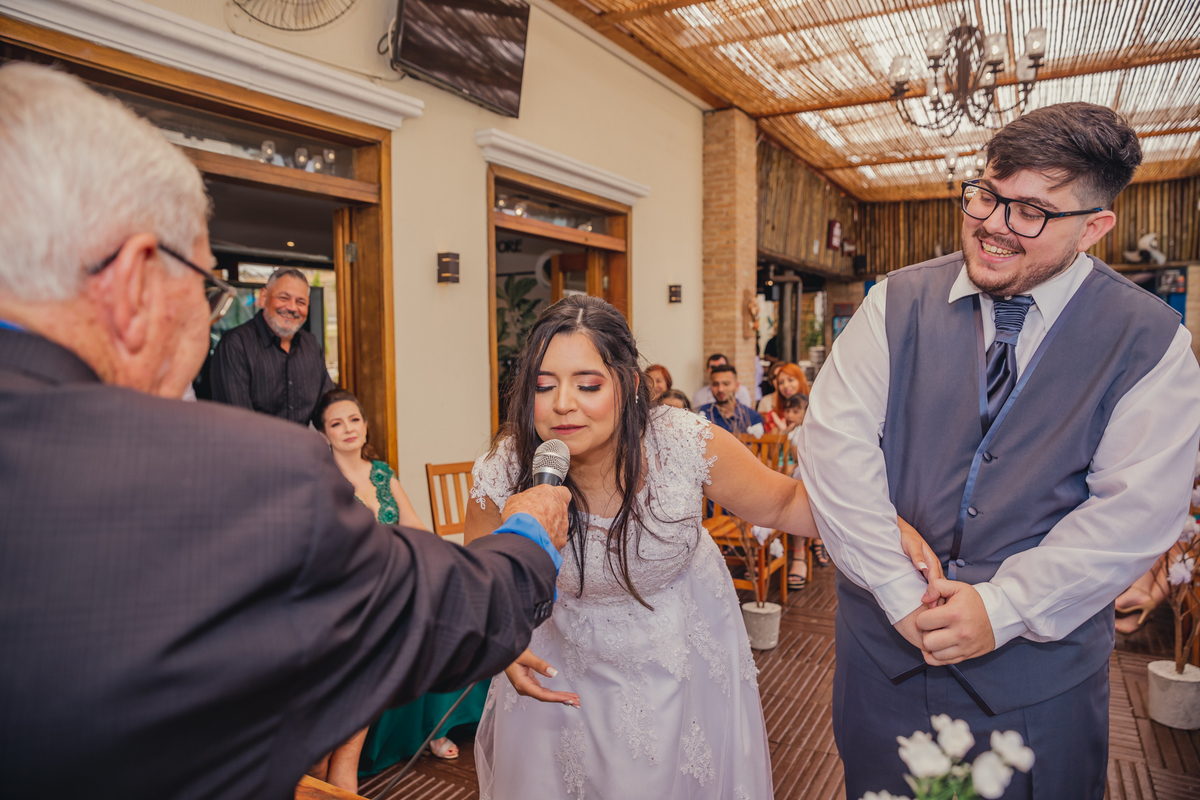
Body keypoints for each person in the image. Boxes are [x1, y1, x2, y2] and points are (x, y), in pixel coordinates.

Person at [0, 62, 568, 800]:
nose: (208, 319)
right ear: (136, 283)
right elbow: (447, 615)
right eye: (205, 286)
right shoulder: (238, 479)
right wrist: (528, 533)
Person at [797, 102, 1200, 800]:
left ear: (1095, 227)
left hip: (1040, 692)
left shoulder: (1152, 343)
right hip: (882, 668)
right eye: (987, 193)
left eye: (1032, 211)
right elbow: (835, 454)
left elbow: (1136, 511)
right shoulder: (893, 302)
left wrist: (1004, 607)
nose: (993, 225)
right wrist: (898, 593)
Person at [465, 295, 938, 799]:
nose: (563, 404)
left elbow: (782, 504)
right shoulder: (503, 469)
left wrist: (878, 526)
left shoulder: (682, 442)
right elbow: (479, 584)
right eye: (544, 386)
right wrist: (502, 642)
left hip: (672, 674)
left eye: (587, 385)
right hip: (558, 676)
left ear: (626, 383)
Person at [313, 388, 491, 785]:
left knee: (453, 603)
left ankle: (440, 724)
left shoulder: (382, 473)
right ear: (324, 434)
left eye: (353, 420)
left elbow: (414, 526)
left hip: (398, 577)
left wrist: (448, 561)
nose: (347, 430)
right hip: (357, 590)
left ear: (365, 424)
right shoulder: (323, 482)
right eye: (336, 424)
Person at [210, 266, 336, 426]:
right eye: (284, 298)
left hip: (303, 449)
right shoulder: (235, 345)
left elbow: (328, 408)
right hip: (255, 450)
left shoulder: (310, 345)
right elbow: (237, 423)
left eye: (301, 302)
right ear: (263, 297)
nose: (292, 307)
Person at [697, 364, 764, 435]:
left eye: (726, 384)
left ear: (737, 386)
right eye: (715, 384)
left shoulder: (752, 417)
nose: (720, 389)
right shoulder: (701, 414)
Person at [758, 361, 809, 433]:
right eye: (781, 382)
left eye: (790, 380)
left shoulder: (813, 406)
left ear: (800, 380)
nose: (786, 385)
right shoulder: (774, 414)